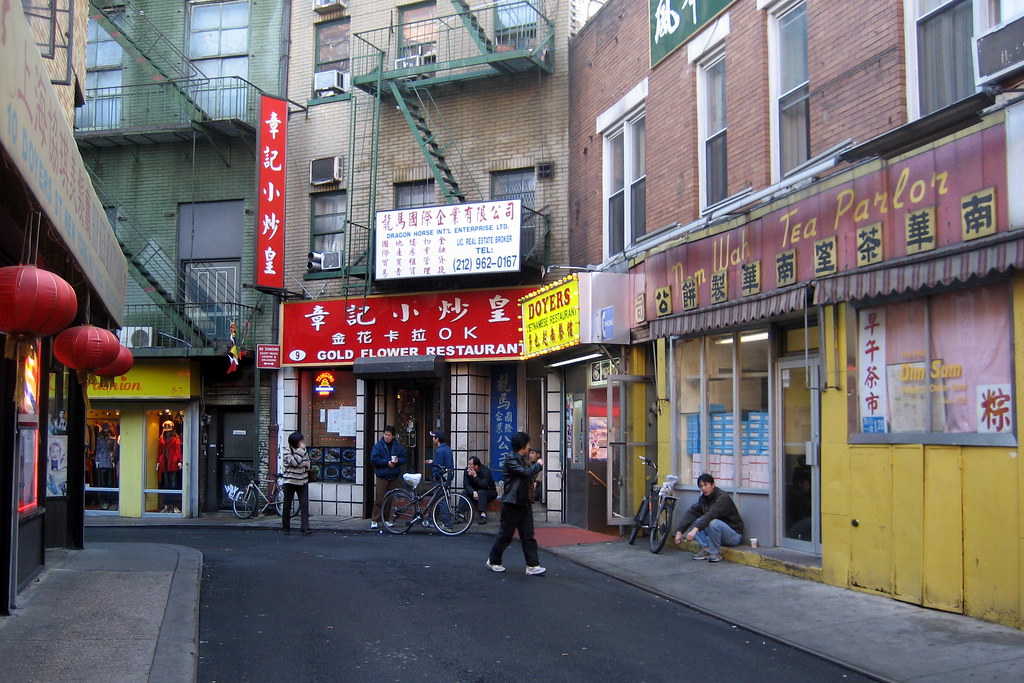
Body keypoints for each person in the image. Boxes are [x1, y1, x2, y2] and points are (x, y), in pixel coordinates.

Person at [487, 431, 546, 576]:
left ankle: (532, 565)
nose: (529, 447)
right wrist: (538, 465)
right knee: (505, 534)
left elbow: (528, 475)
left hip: (523, 501)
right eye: (528, 444)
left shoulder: (522, 459)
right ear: (523, 445)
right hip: (512, 502)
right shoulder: (511, 460)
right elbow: (525, 473)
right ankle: (494, 560)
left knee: (528, 535)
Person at [673, 473, 744, 562]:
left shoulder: (723, 497)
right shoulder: (704, 499)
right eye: (701, 486)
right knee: (696, 521)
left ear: (713, 485)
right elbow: (691, 513)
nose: (703, 488)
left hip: (734, 536)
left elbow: (711, 514)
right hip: (718, 536)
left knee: (713, 522)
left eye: (706, 485)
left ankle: (715, 553)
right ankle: (706, 549)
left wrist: (694, 531)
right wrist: (679, 531)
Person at [369, 425, 408, 529]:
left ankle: (386, 519)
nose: (386, 436)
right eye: (385, 434)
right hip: (382, 475)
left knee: (389, 499)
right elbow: (374, 459)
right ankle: (375, 519)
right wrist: (386, 463)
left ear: (393, 436)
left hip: (393, 475)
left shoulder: (397, 447)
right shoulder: (379, 446)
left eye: (389, 435)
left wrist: (398, 461)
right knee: (380, 498)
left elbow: (404, 457)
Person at [281, 431, 312, 536]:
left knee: (304, 504)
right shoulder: (286, 451)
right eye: (300, 441)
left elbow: (308, 463)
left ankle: (305, 527)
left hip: (302, 481)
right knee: (287, 505)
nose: (302, 443)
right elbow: (293, 462)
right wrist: (300, 454)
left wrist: (304, 463)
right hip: (290, 481)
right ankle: (286, 527)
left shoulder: (304, 451)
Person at [426, 429, 454, 528]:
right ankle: (431, 519)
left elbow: (438, 466)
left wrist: (434, 476)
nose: (432, 439)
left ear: (437, 439)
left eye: (434, 437)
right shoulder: (447, 449)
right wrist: (433, 461)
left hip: (440, 478)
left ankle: (447, 523)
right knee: (438, 499)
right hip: (447, 477)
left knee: (441, 500)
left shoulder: (439, 450)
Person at [156, 420, 182, 514]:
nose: (167, 431)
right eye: (166, 429)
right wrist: (159, 461)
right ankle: (167, 505)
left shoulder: (176, 438)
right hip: (164, 462)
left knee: (173, 484)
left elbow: (178, 450)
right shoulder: (162, 438)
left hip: (173, 461)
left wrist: (180, 460)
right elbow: (160, 450)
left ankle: (174, 505)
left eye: (168, 429)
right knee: (166, 484)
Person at [463, 456, 497, 524]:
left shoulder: (485, 471)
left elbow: (484, 485)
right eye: (468, 464)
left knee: (481, 492)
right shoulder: (467, 470)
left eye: (470, 464)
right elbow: (466, 484)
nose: (468, 466)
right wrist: (473, 491)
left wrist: (475, 476)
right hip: (475, 492)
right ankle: (460, 514)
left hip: (489, 491)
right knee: (464, 493)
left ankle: (483, 515)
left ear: (476, 466)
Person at [95, 423, 118, 510]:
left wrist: (113, 460)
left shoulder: (112, 438)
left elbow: (114, 450)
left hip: (109, 460)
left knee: (110, 482)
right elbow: (97, 449)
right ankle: (103, 501)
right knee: (103, 482)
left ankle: (110, 501)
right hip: (101, 461)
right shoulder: (99, 438)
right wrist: (97, 460)